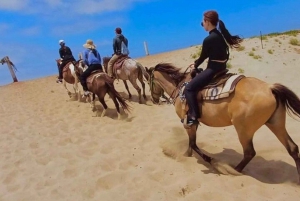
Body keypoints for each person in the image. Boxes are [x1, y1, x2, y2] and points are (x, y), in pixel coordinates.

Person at [183, 10, 243, 127]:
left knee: (189, 89)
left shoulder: (209, 39)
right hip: (222, 68)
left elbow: (203, 56)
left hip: (213, 70)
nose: (202, 25)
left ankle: (194, 116)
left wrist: (194, 65)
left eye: (203, 22)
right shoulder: (221, 36)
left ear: (208, 22)